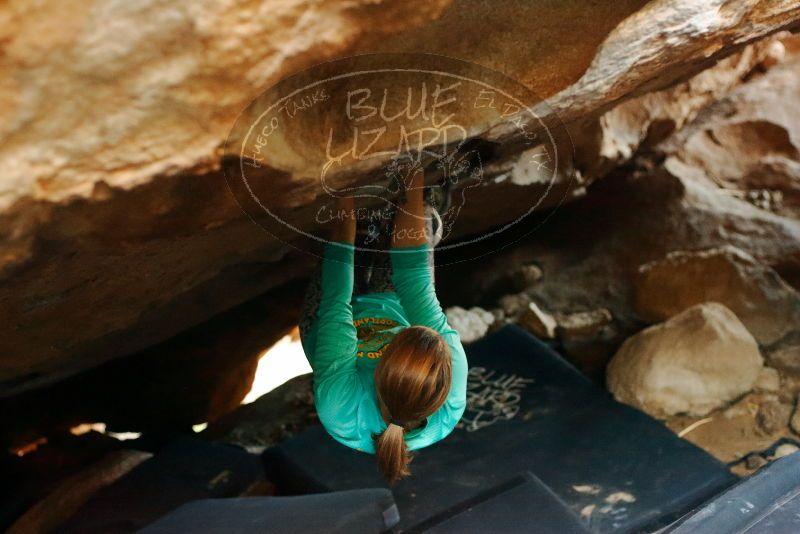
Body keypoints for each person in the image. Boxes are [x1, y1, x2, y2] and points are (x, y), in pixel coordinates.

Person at [298, 165, 468, 484]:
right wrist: (413, 179)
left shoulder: (339, 405)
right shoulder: (452, 379)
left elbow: (336, 300)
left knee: (345, 253)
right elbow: (414, 279)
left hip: (330, 335)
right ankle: (422, 213)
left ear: (380, 365)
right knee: (415, 220)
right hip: (393, 301)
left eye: (396, 338)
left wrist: (344, 202)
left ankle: (364, 237)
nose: (394, 332)